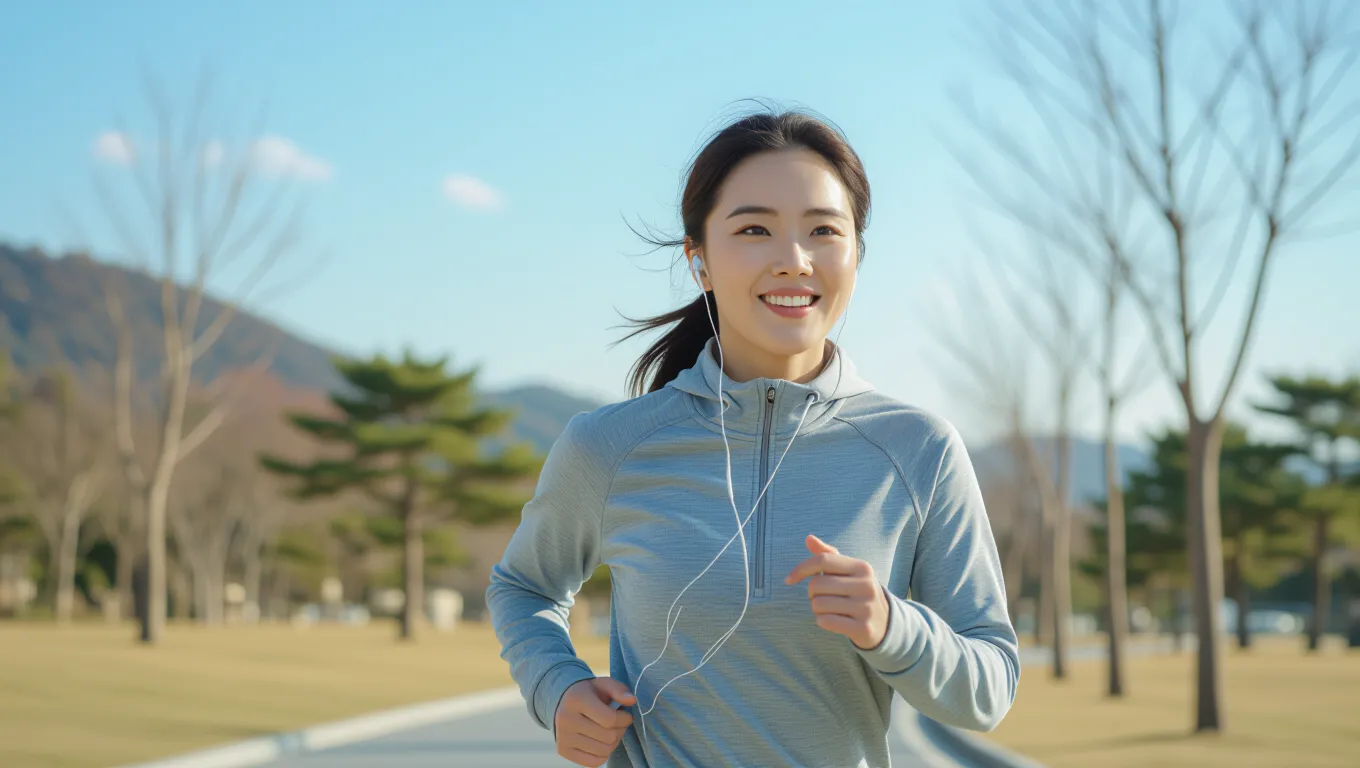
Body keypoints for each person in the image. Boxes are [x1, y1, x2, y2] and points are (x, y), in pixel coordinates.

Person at [486, 105, 1019, 768]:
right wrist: (557, 688)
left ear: (856, 254)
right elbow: (522, 587)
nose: (793, 260)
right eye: (755, 229)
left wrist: (891, 626)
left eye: (823, 230)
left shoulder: (918, 451)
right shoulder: (610, 447)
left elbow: (991, 689)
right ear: (700, 260)